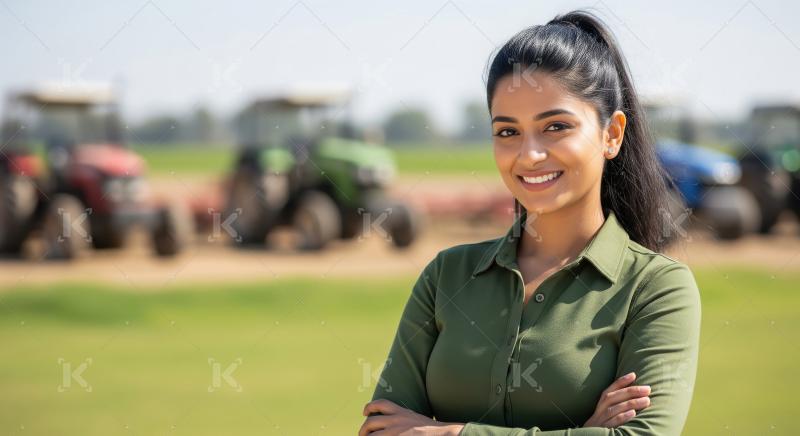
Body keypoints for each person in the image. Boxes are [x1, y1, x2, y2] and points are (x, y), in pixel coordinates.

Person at [360, 9, 701, 436]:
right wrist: (584, 430)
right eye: (507, 132)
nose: (529, 155)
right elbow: (382, 429)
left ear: (611, 134)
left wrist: (451, 432)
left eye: (555, 126)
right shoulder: (446, 276)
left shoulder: (656, 289)